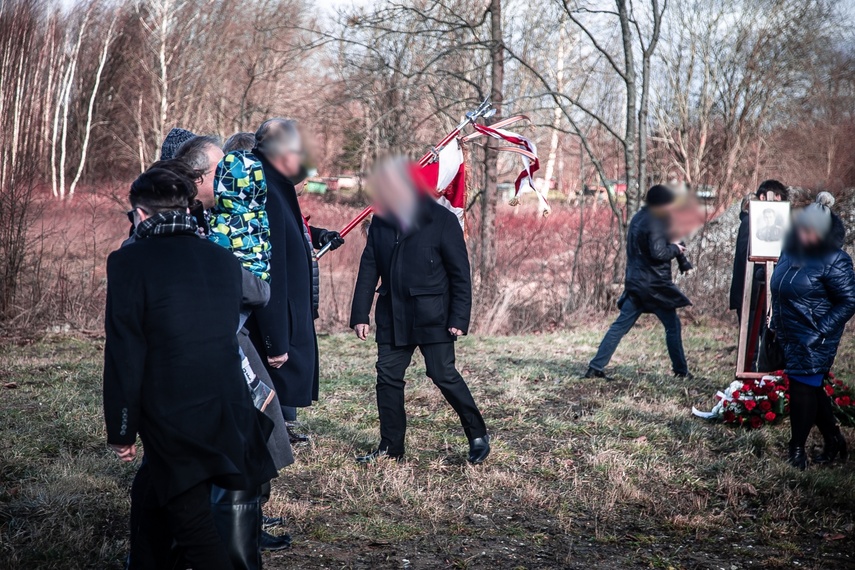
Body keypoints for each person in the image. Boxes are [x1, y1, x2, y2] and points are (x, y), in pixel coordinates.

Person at [103, 166, 277, 569]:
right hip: (227, 405)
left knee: (194, 525)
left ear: (140, 214)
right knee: (150, 496)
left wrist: (122, 430)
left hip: (171, 414)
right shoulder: (221, 259)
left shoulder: (129, 262)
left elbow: (125, 352)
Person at [349, 158, 490, 465]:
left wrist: (458, 318)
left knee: (442, 374)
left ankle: (478, 434)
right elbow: (369, 267)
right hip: (392, 314)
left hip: (433, 315)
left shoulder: (442, 220)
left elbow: (460, 275)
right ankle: (391, 447)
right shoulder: (382, 220)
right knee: (387, 377)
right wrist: (360, 314)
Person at [248, 118, 341, 444]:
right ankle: (267, 440)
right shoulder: (267, 190)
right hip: (275, 316)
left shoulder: (278, 186)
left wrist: (317, 237)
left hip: (287, 314)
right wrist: (277, 338)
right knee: (270, 381)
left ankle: (275, 433)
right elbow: (270, 268)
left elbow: (292, 233)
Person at [771, 192, 855, 470]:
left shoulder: (835, 260)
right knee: (811, 387)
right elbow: (779, 289)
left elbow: (849, 300)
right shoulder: (788, 252)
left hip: (816, 335)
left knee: (802, 387)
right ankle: (834, 441)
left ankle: (796, 449)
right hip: (788, 332)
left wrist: (819, 331)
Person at [585, 185, 692, 379]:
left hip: (636, 282)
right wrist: (676, 250)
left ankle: (595, 367)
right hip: (655, 287)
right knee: (673, 326)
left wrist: (681, 258)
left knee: (619, 327)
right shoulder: (656, 222)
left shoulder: (638, 218)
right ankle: (681, 372)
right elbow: (659, 252)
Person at [730, 180, 788, 321]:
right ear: (763, 198)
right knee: (751, 340)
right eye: (776, 202)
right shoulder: (750, 222)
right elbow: (747, 255)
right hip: (752, 295)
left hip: (764, 294)